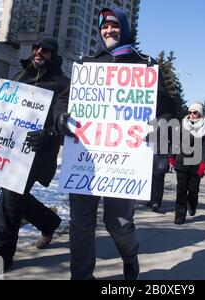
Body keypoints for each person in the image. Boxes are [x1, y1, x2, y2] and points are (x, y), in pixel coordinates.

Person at [56, 6, 176, 280]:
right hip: (85, 159)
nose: (108, 30)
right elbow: (64, 101)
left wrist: (158, 125)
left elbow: (169, 110)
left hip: (124, 162)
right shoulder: (89, 65)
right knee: (81, 223)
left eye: (114, 25)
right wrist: (59, 118)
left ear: (124, 27)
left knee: (119, 223)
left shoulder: (145, 66)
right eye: (103, 27)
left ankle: (129, 255)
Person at [0, 36, 70, 277]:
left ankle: (0, 258)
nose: (39, 52)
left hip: (38, 153)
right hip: (9, 151)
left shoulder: (61, 83)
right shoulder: (18, 76)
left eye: (46, 50)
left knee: (9, 197)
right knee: (14, 197)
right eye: (37, 48)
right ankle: (49, 222)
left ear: (54, 55)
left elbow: (61, 117)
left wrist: (49, 133)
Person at [170, 103, 205, 225]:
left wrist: (203, 164)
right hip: (182, 162)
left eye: (195, 112)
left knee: (193, 190)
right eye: (190, 112)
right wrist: (171, 156)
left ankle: (192, 204)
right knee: (181, 190)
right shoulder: (182, 124)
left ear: (200, 113)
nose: (192, 115)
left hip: (196, 164)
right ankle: (179, 215)